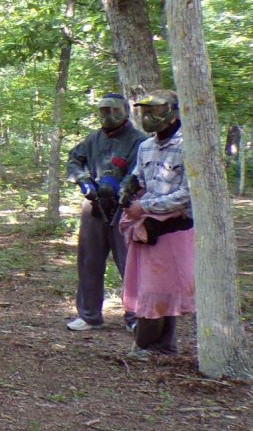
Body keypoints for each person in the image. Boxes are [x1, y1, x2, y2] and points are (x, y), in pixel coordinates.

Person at [120, 90, 195, 358]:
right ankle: (162, 347)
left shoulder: (189, 145)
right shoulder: (146, 146)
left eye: (156, 110)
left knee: (160, 290)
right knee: (150, 288)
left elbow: (189, 193)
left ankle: (145, 346)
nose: (149, 116)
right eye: (146, 111)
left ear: (173, 111)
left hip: (175, 228)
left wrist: (146, 207)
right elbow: (138, 177)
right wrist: (127, 190)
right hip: (147, 229)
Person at [64, 93, 144, 332]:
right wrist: (83, 179)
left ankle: (136, 317)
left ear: (125, 111)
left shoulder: (139, 140)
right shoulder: (93, 139)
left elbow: (141, 171)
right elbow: (74, 159)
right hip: (95, 205)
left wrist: (124, 187)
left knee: (130, 262)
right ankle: (89, 315)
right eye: (103, 111)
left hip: (126, 208)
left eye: (113, 110)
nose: (108, 115)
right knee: (89, 261)